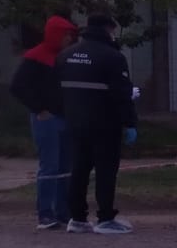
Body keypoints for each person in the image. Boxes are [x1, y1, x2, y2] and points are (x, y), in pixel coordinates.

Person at [57, 13, 138, 234]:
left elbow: (58, 91)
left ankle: (77, 218)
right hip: (105, 123)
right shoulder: (112, 57)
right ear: (108, 29)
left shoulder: (66, 55)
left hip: (75, 122)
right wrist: (130, 122)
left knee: (79, 169)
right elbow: (121, 93)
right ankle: (105, 219)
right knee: (105, 170)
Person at [10, 15, 78, 229]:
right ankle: (45, 213)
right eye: (66, 34)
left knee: (65, 166)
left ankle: (62, 212)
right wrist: (39, 109)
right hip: (46, 119)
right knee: (50, 166)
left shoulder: (65, 57)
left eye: (70, 35)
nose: (69, 38)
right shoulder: (36, 57)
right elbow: (18, 86)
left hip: (65, 117)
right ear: (56, 35)